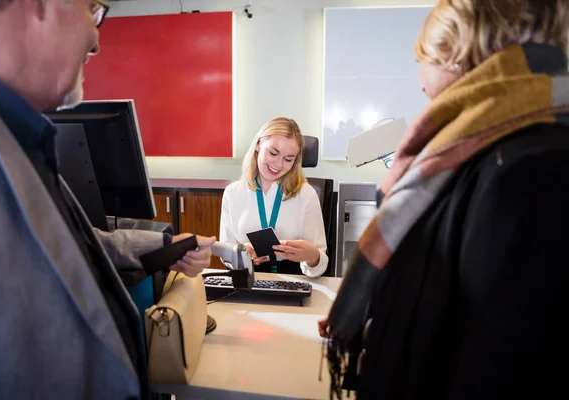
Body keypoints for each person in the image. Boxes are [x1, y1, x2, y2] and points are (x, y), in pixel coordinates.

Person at [0, 1, 215, 399]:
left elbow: (63, 244)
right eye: (92, 8)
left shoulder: (17, 135)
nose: (98, 40)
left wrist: (167, 245)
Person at [323, 0, 569, 398]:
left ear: (457, 54)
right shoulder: (489, 153)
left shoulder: (530, 172)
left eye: (422, 60)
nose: (420, 82)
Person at [220, 117, 328, 277]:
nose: (278, 164)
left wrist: (313, 256)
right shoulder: (233, 193)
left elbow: (320, 263)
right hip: (248, 281)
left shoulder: (306, 194)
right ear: (258, 145)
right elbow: (226, 253)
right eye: (273, 153)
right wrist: (240, 255)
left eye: (288, 159)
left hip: (293, 281)